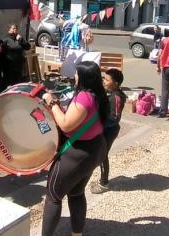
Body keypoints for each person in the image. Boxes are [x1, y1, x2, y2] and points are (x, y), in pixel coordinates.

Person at [41, 61, 108, 236]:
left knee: (53, 196)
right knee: (76, 193)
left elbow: (65, 125)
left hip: (78, 153)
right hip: (95, 149)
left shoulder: (84, 97)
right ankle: (76, 234)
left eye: (77, 73)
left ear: (83, 77)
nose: (74, 76)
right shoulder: (99, 94)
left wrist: (52, 103)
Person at [91, 68, 126, 194]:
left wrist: (100, 123)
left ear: (116, 83)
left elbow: (114, 118)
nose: (104, 82)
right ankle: (102, 179)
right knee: (100, 154)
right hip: (104, 129)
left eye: (107, 80)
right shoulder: (110, 93)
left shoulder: (116, 97)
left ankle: (104, 183)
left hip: (109, 131)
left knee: (102, 155)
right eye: (103, 79)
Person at [0, 23, 30, 89]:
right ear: (9, 30)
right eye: (13, 28)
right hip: (9, 65)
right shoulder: (5, 39)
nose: (14, 30)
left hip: (19, 65)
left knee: (17, 82)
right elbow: (1, 53)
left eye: (16, 29)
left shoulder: (19, 38)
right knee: (9, 82)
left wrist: (21, 40)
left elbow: (28, 47)